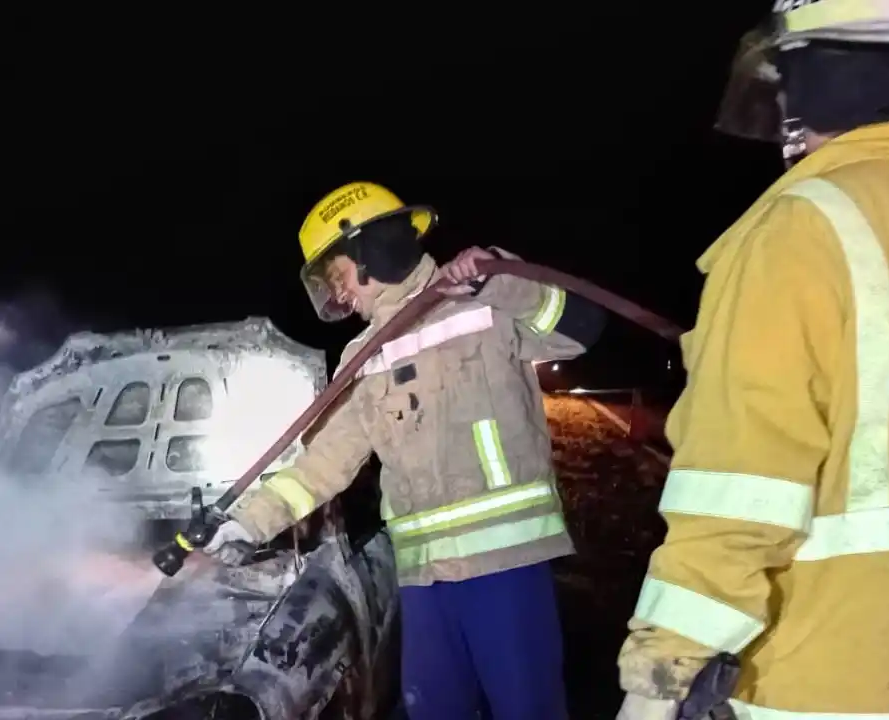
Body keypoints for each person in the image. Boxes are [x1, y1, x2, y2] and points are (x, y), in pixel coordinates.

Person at [615, 2, 889, 719]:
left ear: (816, 76)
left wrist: (661, 671)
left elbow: (738, 492)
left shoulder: (801, 229)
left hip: (837, 680)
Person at [203, 181, 606, 720]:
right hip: (422, 581)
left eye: (339, 276)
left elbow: (582, 330)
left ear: (374, 251)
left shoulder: (485, 299)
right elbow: (323, 464)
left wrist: (503, 279)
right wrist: (247, 524)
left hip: (505, 568)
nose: (339, 295)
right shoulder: (363, 355)